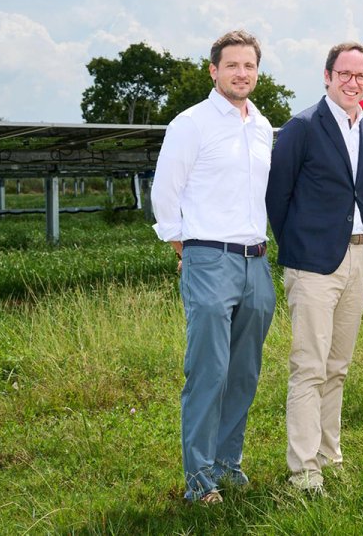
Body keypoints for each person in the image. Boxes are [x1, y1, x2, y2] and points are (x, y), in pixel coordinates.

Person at [151, 29, 276, 505]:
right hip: (208, 257)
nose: (241, 73)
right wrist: (186, 249)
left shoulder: (263, 126)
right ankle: (199, 478)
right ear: (214, 70)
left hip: (257, 261)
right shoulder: (192, 123)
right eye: (232, 66)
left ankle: (228, 463)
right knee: (209, 371)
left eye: (249, 66)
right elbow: (166, 192)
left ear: (256, 73)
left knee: (244, 372)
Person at [266, 41, 363, 494]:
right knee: (309, 367)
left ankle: (328, 454)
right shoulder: (301, 127)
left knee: (338, 366)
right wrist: (299, 245)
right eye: (345, 74)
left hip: (356, 256)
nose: (353, 82)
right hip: (313, 264)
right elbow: (278, 196)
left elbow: (361, 191)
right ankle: (304, 469)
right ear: (328, 75)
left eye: (361, 76)